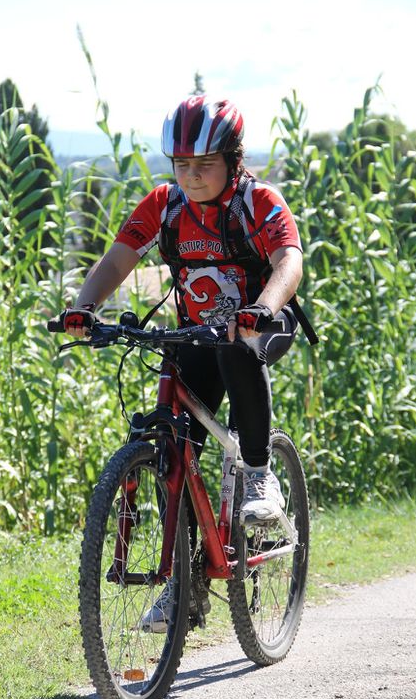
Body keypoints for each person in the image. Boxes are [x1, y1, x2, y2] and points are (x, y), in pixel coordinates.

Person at [63, 96, 304, 632]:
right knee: (177, 450)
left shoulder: (257, 201)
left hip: (264, 323)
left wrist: (263, 308)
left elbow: (290, 259)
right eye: (182, 166)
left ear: (234, 160)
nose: (192, 177)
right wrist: (84, 308)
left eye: (205, 165)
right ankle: (185, 581)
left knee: (239, 348)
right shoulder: (165, 206)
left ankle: (261, 476)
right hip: (196, 332)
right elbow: (118, 258)